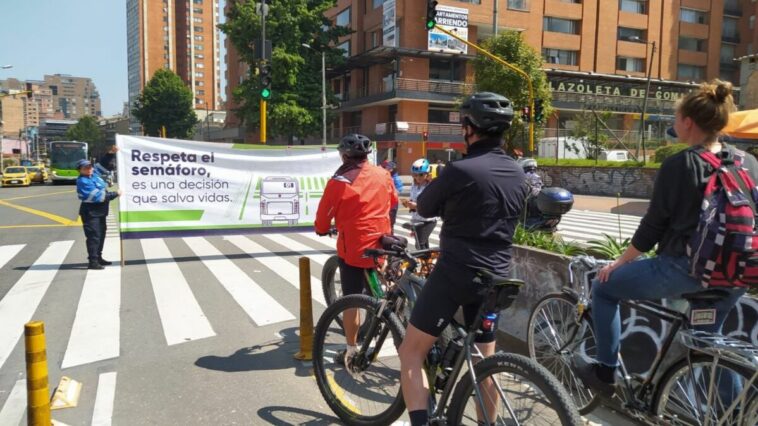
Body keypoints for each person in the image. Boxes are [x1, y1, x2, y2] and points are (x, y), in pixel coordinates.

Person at [574, 80, 752, 397]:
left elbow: (653, 226)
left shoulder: (680, 163)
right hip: (735, 273)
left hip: (686, 269)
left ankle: (604, 373)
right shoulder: (748, 162)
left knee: (603, 289)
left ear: (687, 122)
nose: (673, 123)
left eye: (675, 118)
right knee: (709, 345)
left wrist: (619, 262)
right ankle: (733, 413)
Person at [398, 92, 528, 426]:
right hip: (499, 276)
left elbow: (425, 206)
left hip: (457, 272)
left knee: (411, 352)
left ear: (469, 128)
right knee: (485, 359)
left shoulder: (460, 170)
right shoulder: (517, 173)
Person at [314, 134, 397, 365]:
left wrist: (321, 229)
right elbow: (393, 202)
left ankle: (351, 350)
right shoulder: (383, 174)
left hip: (354, 247)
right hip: (382, 240)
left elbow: (324, 215)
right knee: (383, 285)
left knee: (351, 299)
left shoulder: (340, 180)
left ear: (344, 155)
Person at [76, 146, 121, 270]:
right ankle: (93, 261)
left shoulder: (93, 174)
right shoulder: (83, 181)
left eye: (90, 167)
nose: (89, 169)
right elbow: (98, 196)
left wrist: (110, 153)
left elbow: (103, 165)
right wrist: (115, 194)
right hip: (91, 212)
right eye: (86, 168)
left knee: (101, 235)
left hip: (101, 212)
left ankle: (98, 257)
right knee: (94, 236)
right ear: (80, 170)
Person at [401, 159, 436, 249]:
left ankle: (425, 262)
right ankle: (428, 262)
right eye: (415, 175)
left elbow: (431, 205)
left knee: (420, 245)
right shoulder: (414, 185)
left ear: (427, 174)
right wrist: (408, 203)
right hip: (416, 219)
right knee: (423, 245)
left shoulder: (431, 186)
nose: (418, 177)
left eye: (421, 174)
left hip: (428, 220)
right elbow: (414, 199)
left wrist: (416, 206)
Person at [381, 160, 403, 230]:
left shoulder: (395, 178)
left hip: (393, 204)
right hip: (385, 203)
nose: (385, 169)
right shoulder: (384, 176)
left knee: (391, 223)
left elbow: (399, 189)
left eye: (386, 167)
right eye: (384, 167)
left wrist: (391, 192)